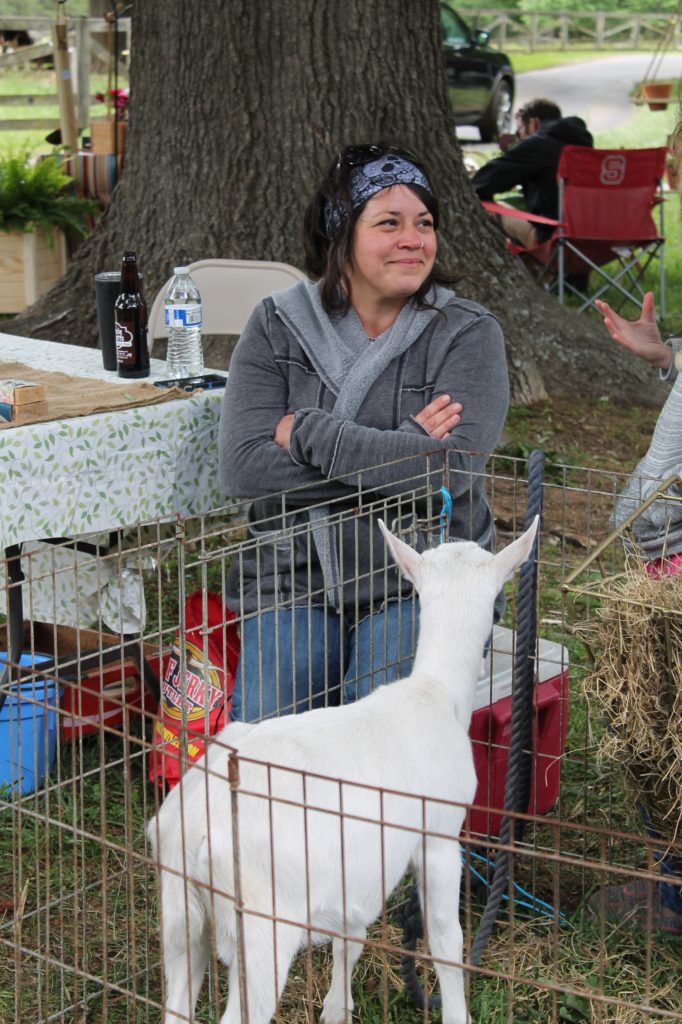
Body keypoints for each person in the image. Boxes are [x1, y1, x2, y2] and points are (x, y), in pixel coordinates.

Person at [218, 142, 509, 723]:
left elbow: (450, 475)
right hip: (293, 576)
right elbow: (243, 467)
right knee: (274, 739)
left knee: (388, 739)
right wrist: (404, 442)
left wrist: (311, 433)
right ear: (341, 236)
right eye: (389, 223)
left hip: (422, 578)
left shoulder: (467, 333)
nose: (414, 239)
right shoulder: (277, 324)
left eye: (424, 223)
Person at [593, 289, 682, 935]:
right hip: (662, 569)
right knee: (656, 733)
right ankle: (672, 890)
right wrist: (670, 355)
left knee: (664, 734)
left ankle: (674, 902)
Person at [471, 98, 593, 249]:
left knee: (483, 205)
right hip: (593, 238)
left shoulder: (538, 143)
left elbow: (484, 183)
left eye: (519, 130)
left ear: (533, 123)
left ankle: (529, 269)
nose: (519, 137)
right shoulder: (584, 146)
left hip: (553, 238)